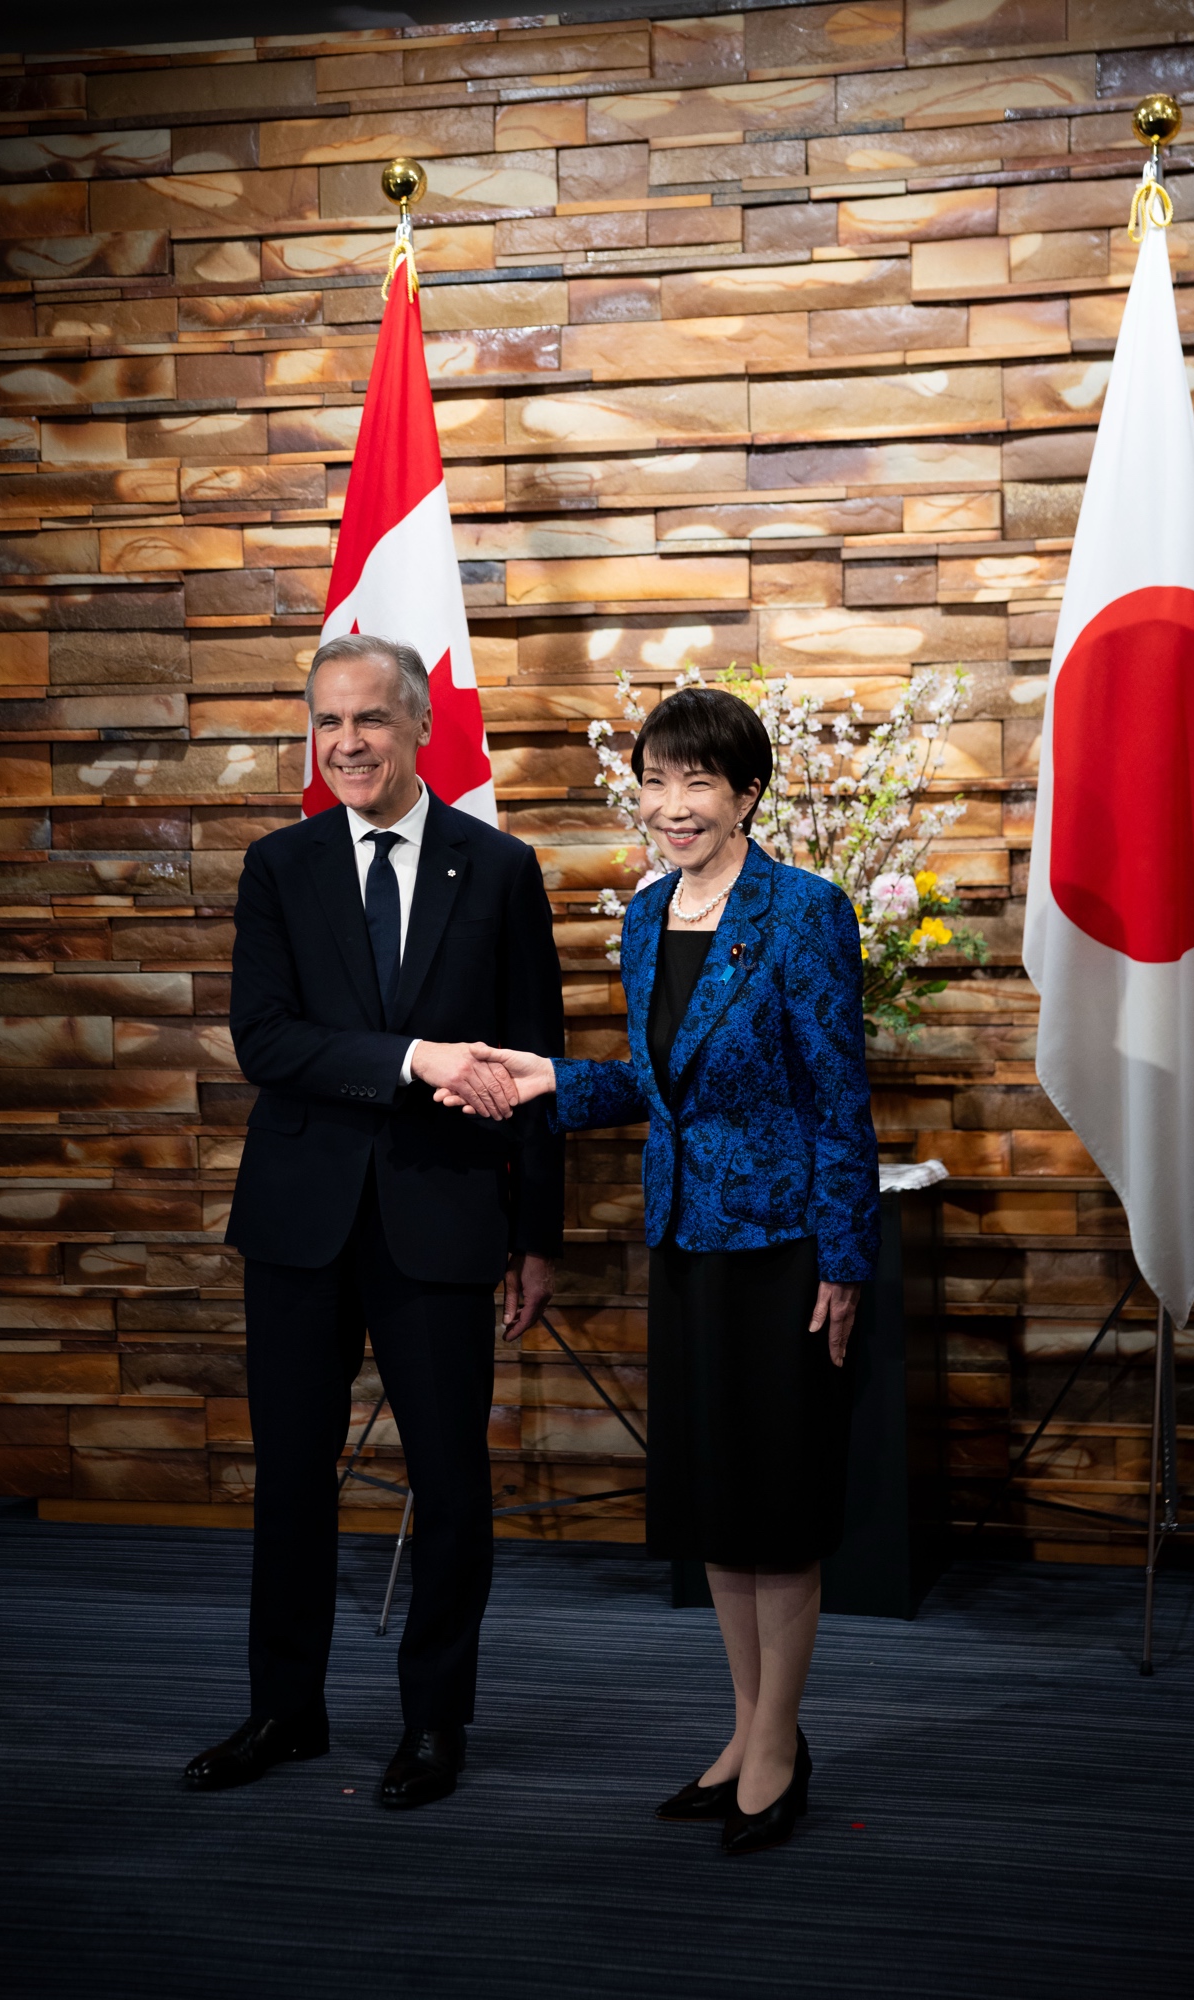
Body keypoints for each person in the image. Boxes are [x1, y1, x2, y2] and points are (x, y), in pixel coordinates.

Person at [437, 685, 880, 1855]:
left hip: (783, 1250)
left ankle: (777, 1744)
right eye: (656, 780)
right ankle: (744, 1728)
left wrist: (846, 1258)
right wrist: (548, 1081)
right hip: (684, 1243)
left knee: (778, 1510)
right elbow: (659, 1081)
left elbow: (839, 1099)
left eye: (698, 781)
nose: (673, 804)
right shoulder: (645, 916)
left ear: (746, 794)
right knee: (718, 1509)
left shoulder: (803, 910)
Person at [183, 634, 564, 1810]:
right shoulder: (278, 865)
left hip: (442, 1217)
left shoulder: (497, 868)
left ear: (419, 728)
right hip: (300, 1221)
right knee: (291, 1479)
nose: (346, 742)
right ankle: (284, 1708)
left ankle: (434, 1720)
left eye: (370, 719)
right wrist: (413, 1057)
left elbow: (537, 1060)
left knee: (449, 1483)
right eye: (328, 720)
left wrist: (538, 1234)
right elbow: (266, 1040)